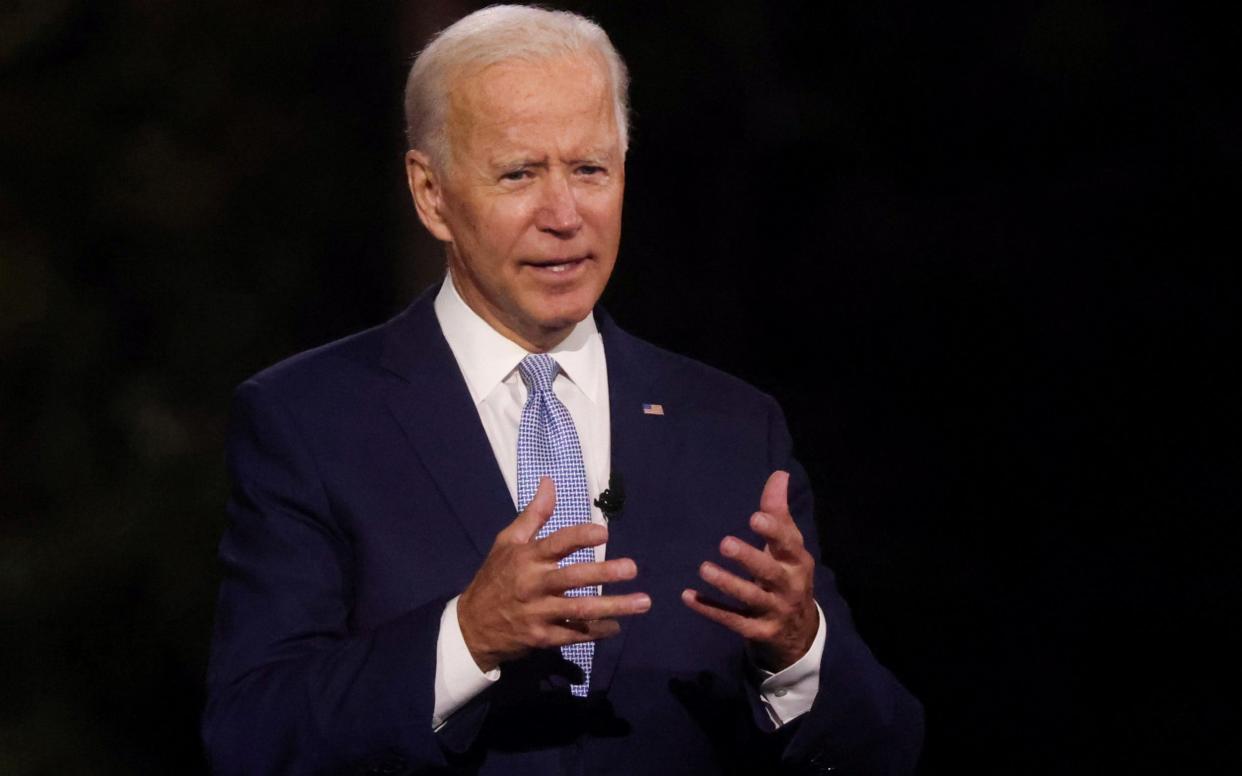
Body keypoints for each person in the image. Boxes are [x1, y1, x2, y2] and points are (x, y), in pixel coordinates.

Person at [203, 6, 922, 775]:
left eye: (590, 170)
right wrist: (465, 639)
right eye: (519, 174)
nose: (563, 216)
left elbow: (884, 749)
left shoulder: (733, 429)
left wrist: (799, 651)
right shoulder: (309, 421)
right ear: (431, 193)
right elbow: (253, 738)